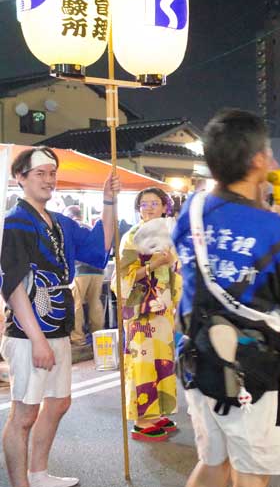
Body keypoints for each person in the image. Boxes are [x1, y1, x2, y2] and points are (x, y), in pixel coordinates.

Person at [174, 109, 280, 487]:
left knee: (213, 462)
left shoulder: (190, 211)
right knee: (250, 472)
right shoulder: (273, 227)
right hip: (249, 371)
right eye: (269, 154)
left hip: (197, 360)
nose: (274, 162)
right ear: (257, 161)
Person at [1, 147, 118, 487]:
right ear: (20, 178)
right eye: (40, 173)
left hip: (58, 325)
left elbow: (100, 247)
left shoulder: (61, 222)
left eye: (52, 173)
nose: (49, 179)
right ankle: (21, 484)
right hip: (28, 331)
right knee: (24, 414)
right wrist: (37, 340)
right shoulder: (14, 223)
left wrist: (108, 202)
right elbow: (12, 284)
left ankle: (39, 474)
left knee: (59, 403)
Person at [112, 187, 181, 442]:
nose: (149, 208)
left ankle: (158, 411)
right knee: (142, 361)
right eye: (144, 204)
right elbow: (121, 277)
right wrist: (153, 264)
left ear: (165, 207)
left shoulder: (170, 234)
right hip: (141, 308)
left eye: (155, 203)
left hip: (163, 308)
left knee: (163, 359)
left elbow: (177, 272)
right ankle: (142, 418)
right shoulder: (132, 237)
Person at [63, 205, 106, 346]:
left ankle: (78, 338)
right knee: (95, 302)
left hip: (79, 270)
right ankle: (98, 336)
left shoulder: (71, 227)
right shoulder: (88, 226)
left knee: (76, 304)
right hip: (98, 271)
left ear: (69, 215)